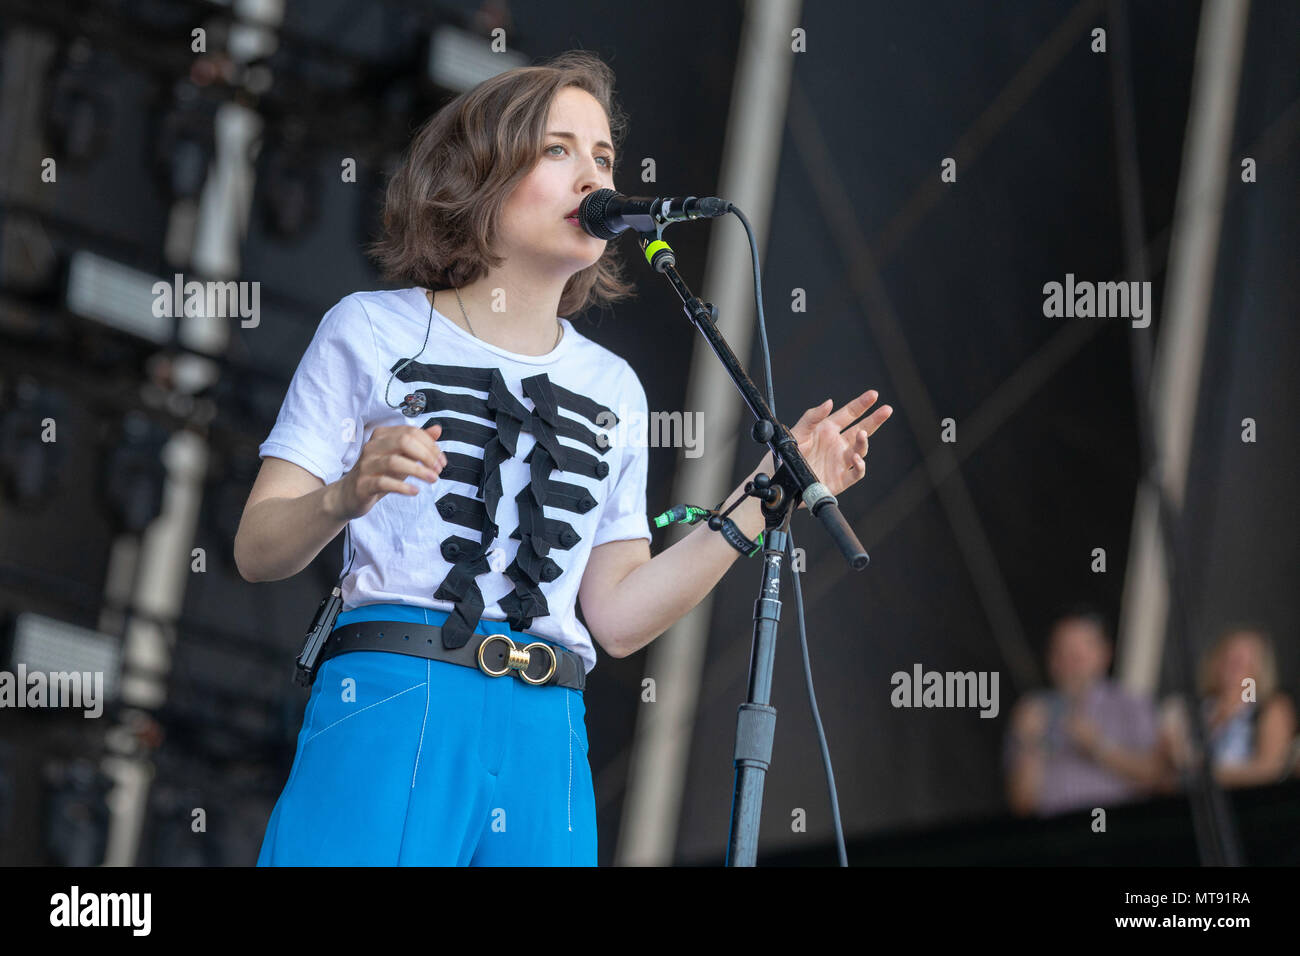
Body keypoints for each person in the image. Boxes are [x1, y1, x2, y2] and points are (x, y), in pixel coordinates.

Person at [234, 50, 893, 865]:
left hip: (547, 732)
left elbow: (616, 617)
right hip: (399, 695)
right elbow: (257, 548)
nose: (593, 174)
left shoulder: (612, 386)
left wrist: (766, 494)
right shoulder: (370, 329)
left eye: (604, 157)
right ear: (480, 174)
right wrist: (343, 495)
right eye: (558, 150)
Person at [1004, 607, 1164, 817]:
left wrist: (1098, 747)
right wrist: (1030, 744)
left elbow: (1158, 778)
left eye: (1078, 654)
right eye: (1061, 652)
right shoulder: (1033, 709)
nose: (1070, 662)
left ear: (1104, 654)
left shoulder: (1132, 705)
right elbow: (1021, 804)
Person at [1158, 627, 1297, 789]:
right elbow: (1163, 771)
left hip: (1244, 806)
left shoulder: (1267, 708)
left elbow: (1269, 771)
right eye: (1227, 658)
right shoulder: (1197, 709)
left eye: (1242, 661)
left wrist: (1200, 771)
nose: (1232, 667)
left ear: (1258, 669)